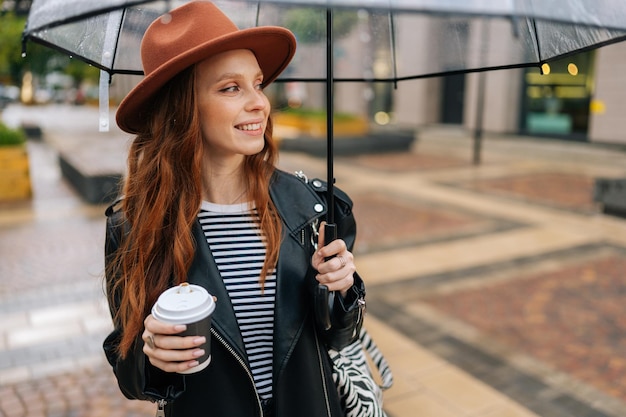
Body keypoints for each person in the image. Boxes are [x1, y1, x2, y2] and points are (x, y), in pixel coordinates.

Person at [103, 2, 366, 417]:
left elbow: (338, 337)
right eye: (230, 88)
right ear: (182, 108)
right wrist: (150, 354)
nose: (260, 103)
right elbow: (131, 374)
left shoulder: (313, 208)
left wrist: (342, 290)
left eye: (258, 84)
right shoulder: (135, 226)